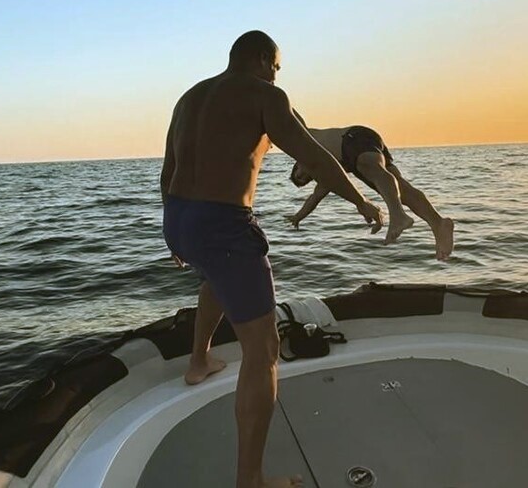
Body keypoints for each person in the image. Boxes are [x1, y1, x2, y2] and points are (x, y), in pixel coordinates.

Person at [160, 31, 384, 488]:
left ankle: (198, 360)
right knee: (262, 353)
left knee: (217, 278)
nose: (279, 74)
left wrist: (176, 231)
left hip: (180, 217)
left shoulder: (190, 97)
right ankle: (251, 481)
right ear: (263, 60)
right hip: (224, 223)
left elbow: (168, 168)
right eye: (278, 65)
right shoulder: (267, 95)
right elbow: (318, 161)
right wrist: (362, 203)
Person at [287, 123, 454, 258]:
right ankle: (438, 224)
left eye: (298, 174)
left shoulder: (304, 139)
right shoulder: (326, 173)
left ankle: (398, 215)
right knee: (402, 190)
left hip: (353, 139)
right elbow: (314, 198)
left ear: (296, 165)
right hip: (359, 150)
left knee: (374, 170)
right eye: (304, 179)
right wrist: (298, 217)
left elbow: (289, 114)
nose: (303, 175)